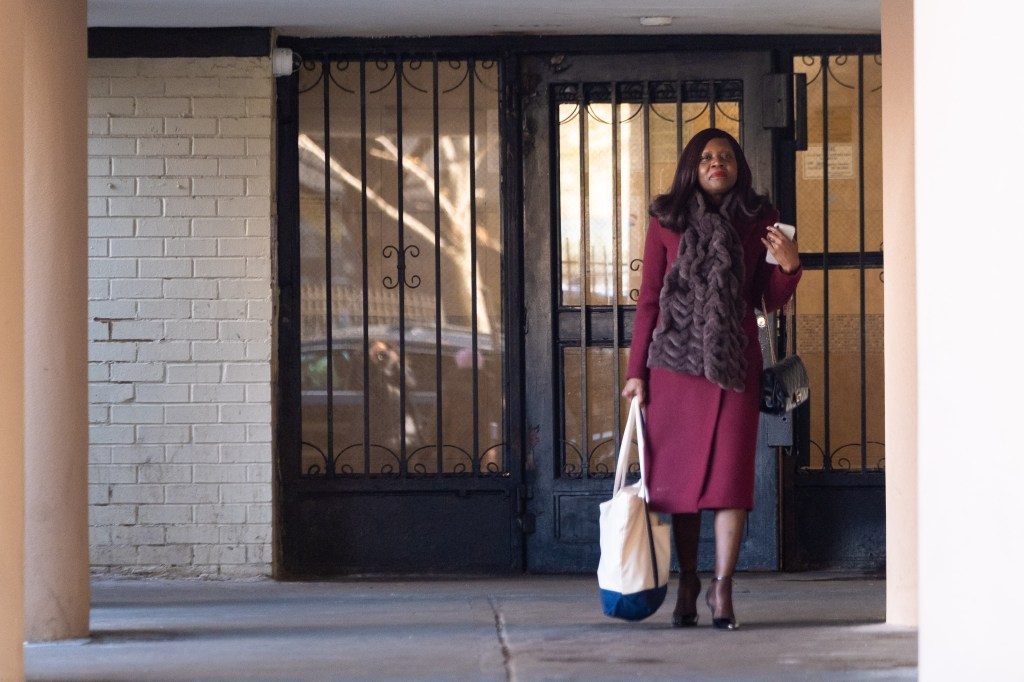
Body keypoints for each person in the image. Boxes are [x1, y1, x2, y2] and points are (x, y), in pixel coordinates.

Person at [621, 128, 801, 630]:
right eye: (705, 157)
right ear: (691, 167)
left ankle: (722, 588)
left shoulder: (761, 219)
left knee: (728, 482)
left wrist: (790, 267)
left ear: (738, 164)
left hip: (734, 365)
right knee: (679, 486)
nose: (715, 163)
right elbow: (650, 299)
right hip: (674, 369)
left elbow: (769, 296)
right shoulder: (666, 220)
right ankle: (688, 580)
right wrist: (636, 372)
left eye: (724, 156)